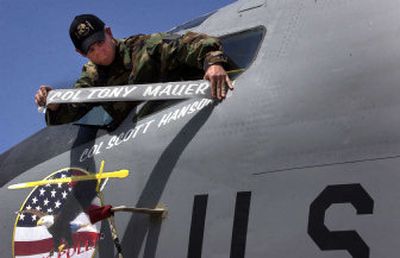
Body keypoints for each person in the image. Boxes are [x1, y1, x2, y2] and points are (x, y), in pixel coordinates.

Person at [34, 14, 233, 126]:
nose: (100, 52)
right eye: (91, 50)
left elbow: (191, 43)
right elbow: (73, 108)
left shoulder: (144, 47)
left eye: (100, 42)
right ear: (81, 53)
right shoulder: (92, 78)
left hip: (178, 116)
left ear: (109, 33)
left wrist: (213, 63)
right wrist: (54, 104)